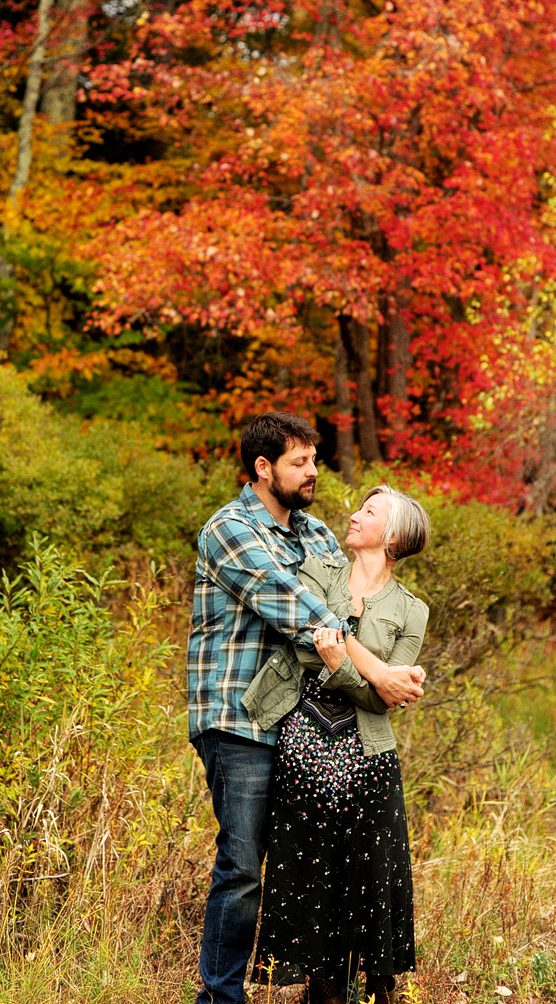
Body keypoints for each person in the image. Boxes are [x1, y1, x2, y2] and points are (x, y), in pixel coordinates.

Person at [189, 413, 426, 1004]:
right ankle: (220, 999)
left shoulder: (317, 535)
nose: (313, 472)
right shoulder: (228, 530)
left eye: (315, 460)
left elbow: (362, 603)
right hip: (238, 719)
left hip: (303, 729)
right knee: (244, 868)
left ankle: (331, 990)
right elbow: (297, 607)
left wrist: (402, 664)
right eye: (300, 462)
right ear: (263, 468)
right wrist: (379, 672)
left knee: (320, 866)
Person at [244, 484, 431, 1004]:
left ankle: (376, 990)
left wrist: (340, 665)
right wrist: (359, 672)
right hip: (304, 743)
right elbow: (304, 648)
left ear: (391, 537)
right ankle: (322, 992)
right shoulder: (318, 573)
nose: (354, 514)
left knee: (369, 874)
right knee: (305, 869)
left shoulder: (412, 611)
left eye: (369, 512)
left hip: (368, 756)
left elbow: (381, 702)